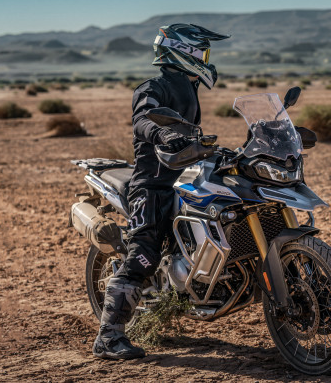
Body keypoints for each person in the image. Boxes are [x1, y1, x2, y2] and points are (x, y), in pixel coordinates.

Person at [92, 23, 230, 359]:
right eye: (203, 54)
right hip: (152, 185)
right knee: (144, 256)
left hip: (185, 180)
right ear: (185, 53)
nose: (207, 60)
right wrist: (162, 134)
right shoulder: (153, 87)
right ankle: (108, 337)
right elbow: (142, 120)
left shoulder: (187, 87)